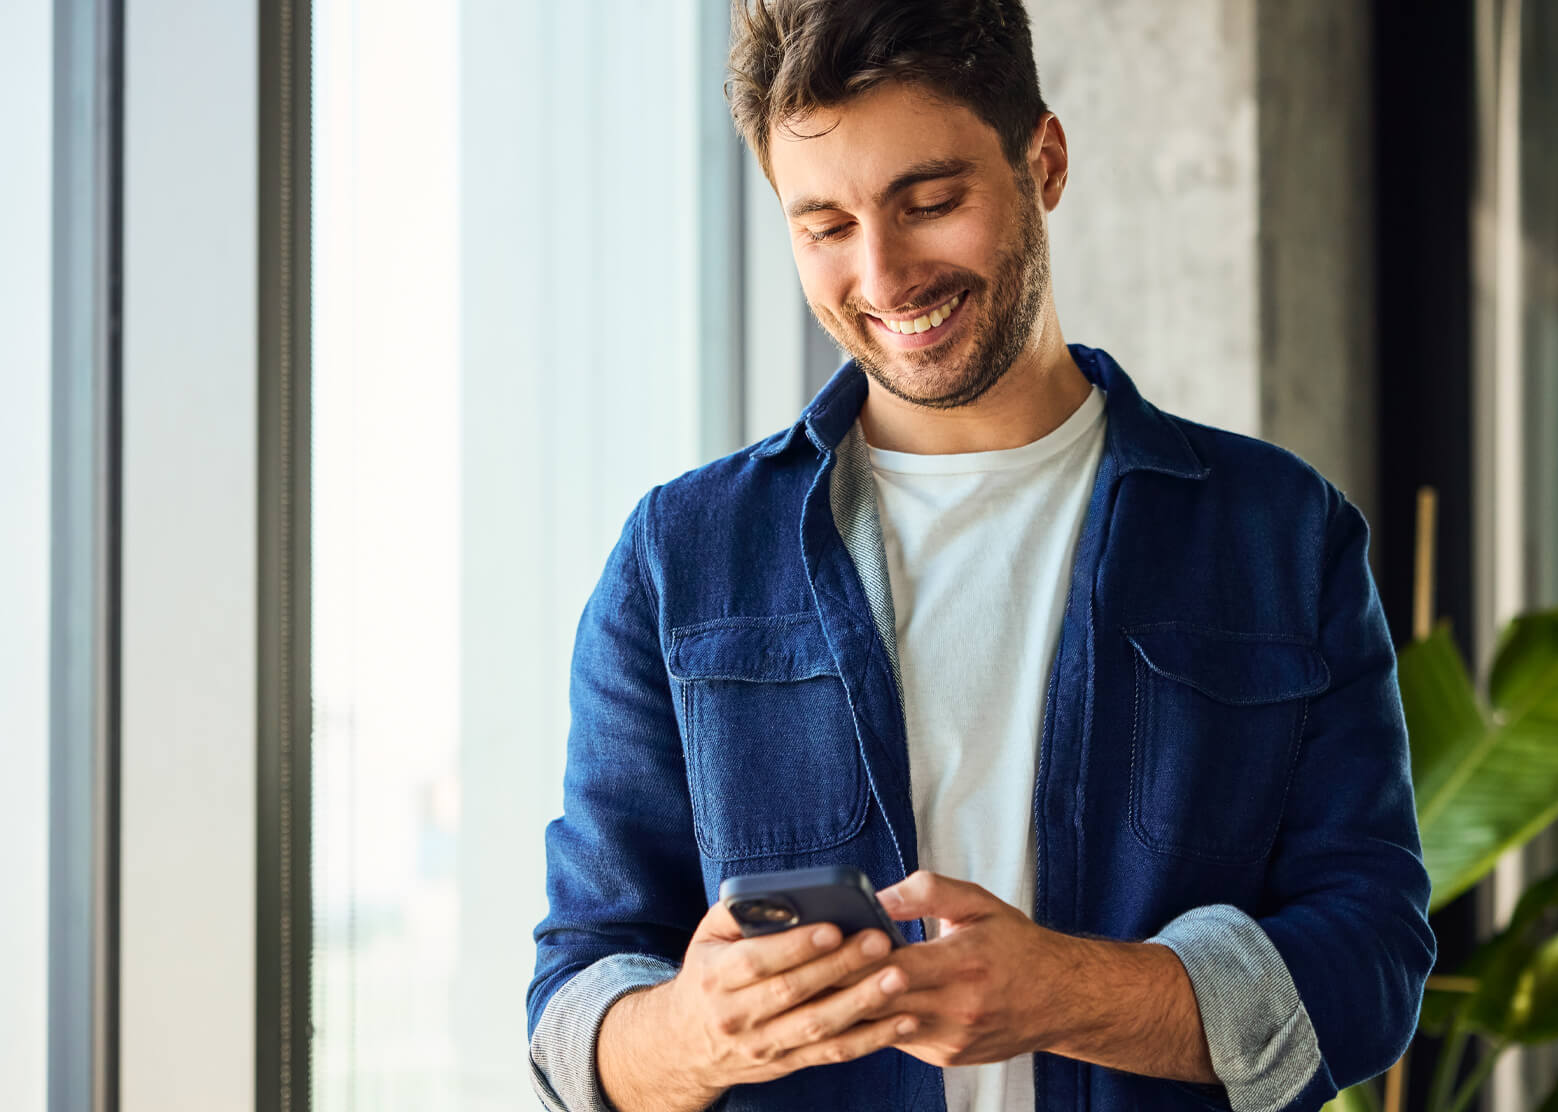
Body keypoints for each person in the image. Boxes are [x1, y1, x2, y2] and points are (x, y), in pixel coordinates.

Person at [527, 2, 1435, 1109]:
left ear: (1041, 162)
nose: (884, 273)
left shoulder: (1281, 535)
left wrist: (1068, 989)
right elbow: (577, 1008)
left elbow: (1372, 963)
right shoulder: (681, 556)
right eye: (824, 226)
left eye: (930, 201)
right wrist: (696, 1029)